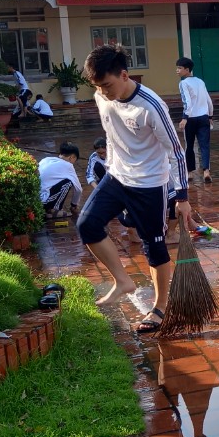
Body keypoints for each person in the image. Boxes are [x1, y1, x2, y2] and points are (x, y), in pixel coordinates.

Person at [76, 43, 191, 333]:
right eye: (98, 87)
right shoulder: (101, 97)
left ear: (125, 75)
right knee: (87, 224)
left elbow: (176, 152)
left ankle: (160, 307)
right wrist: (111, 165)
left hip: (150, 184)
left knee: (154, 247)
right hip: (117, 177)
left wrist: (182, 196)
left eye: (107, 85)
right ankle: (122, 281)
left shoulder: (151, 106)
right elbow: (111, 134)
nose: (103, 92)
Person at [175, 57, 214, 185]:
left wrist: (184, 118)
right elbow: (208, 100)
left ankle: (190, 172)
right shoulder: (200, 81)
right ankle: (206, 172)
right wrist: (210, 116)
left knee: (189, 146)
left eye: (179, 68)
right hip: (203, 117)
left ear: (187, 70)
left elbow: (187, 101)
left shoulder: (183, 83)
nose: (177, 70)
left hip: (191, 119)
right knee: (204, 145)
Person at [38, 143, 82, 218]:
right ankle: (55, 210)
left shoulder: (46, 159)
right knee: (68, 182)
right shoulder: (68, 166)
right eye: (75, 159)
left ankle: (47, 210)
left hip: (34, 199)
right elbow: (78, 189)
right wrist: (74, 205)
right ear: (72, 157)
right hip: (43, 202)